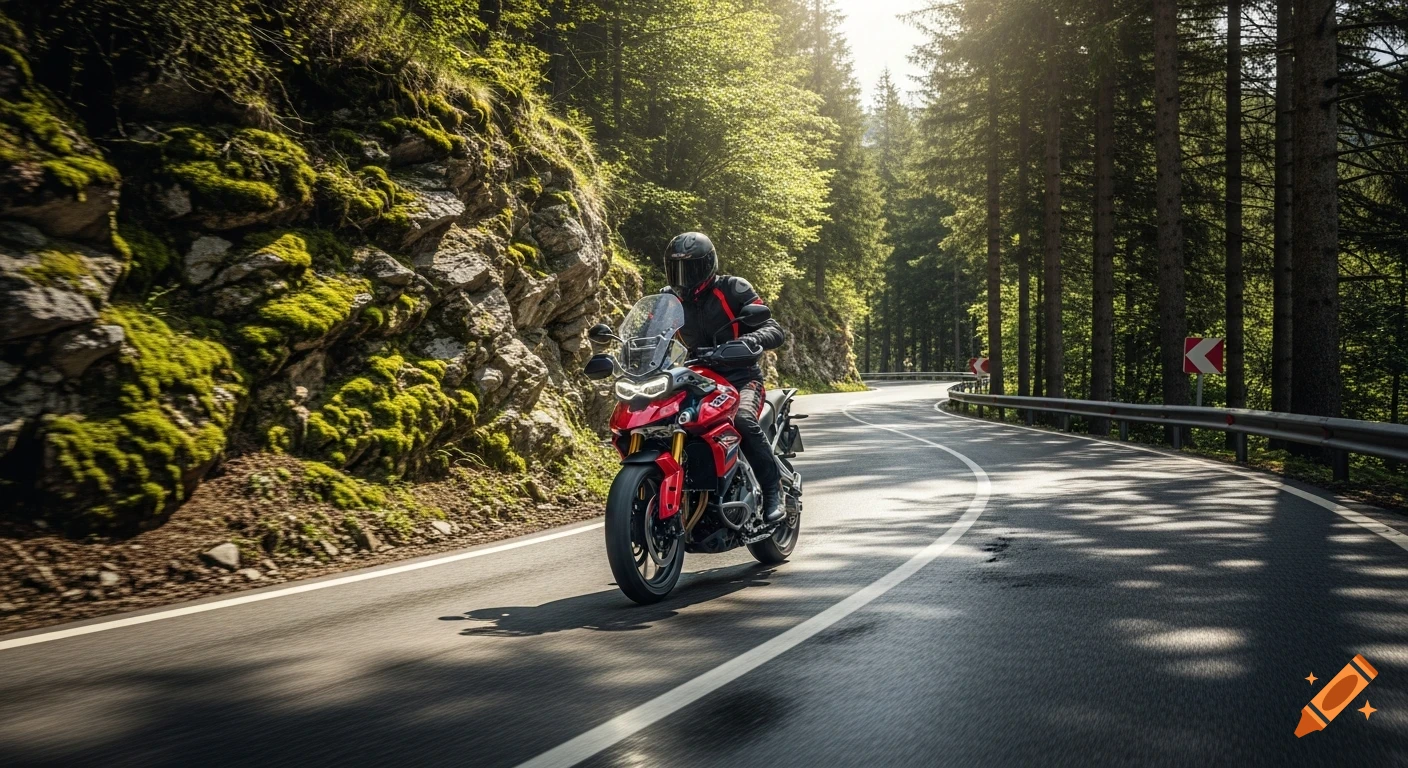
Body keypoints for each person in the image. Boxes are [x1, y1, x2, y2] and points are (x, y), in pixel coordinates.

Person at [662, 232, 787, 525]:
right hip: (692, 378)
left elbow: (773, 328)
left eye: (691, 268)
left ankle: (773, 491)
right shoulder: (668, 297)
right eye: (677, 268)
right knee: (662, 422)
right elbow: (652, 333)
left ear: (708, 265)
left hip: (740, 378)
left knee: (743, 420)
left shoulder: (732, 288)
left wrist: (748, 341)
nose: (684, 277)